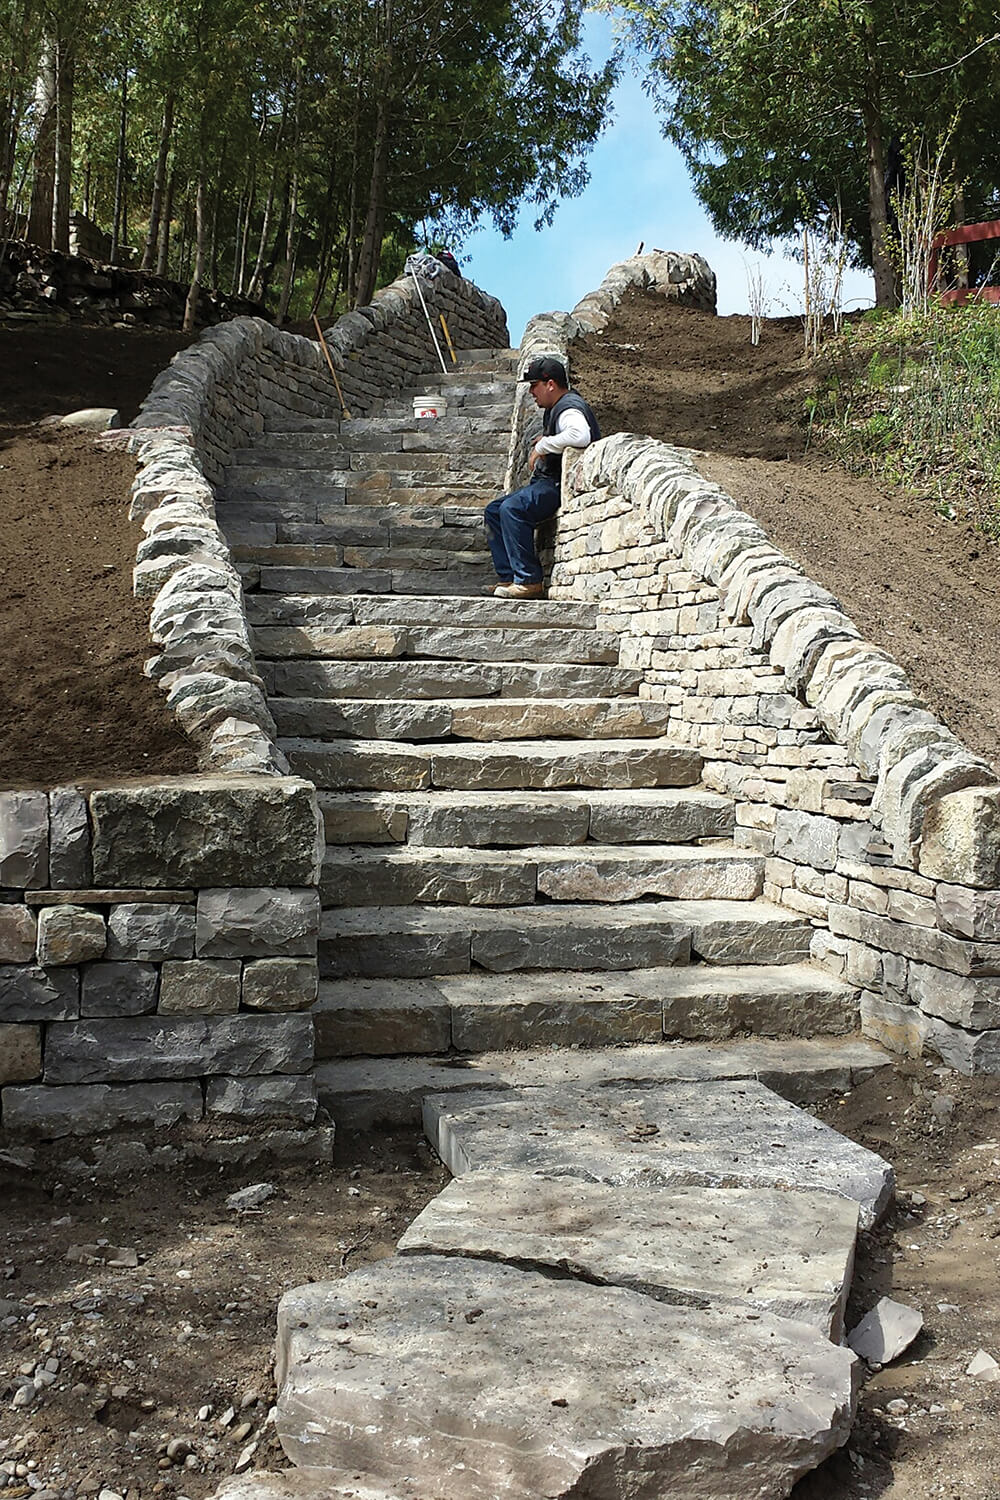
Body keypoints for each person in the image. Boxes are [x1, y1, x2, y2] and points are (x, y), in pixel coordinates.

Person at [484, 356, 600, 598]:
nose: (531, 391)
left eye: (534, 385)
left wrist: (545, 445)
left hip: (558, 484)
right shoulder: (555, 408)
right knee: (494, 510)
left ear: (550, 384)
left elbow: (580, 435)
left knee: (513, 508)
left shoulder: (569, 406)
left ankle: (529, 581)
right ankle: (509, 577)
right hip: (547, 481)